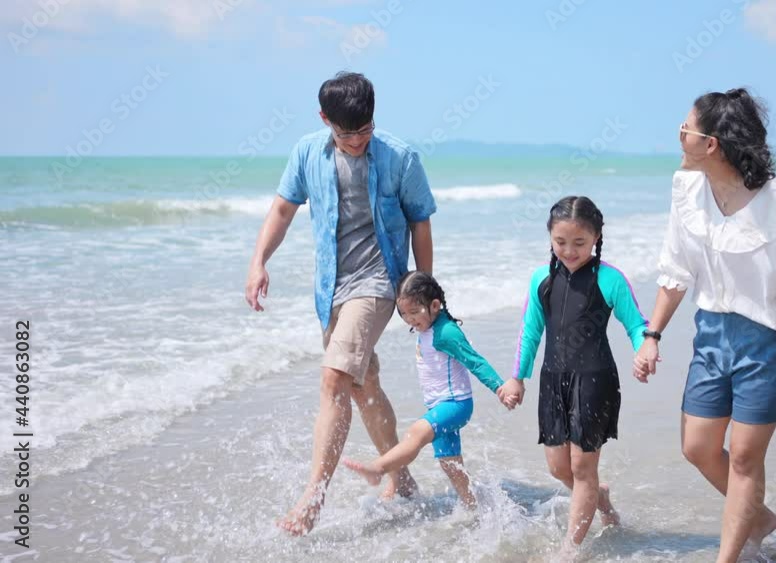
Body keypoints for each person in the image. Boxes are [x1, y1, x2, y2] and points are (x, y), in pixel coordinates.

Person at [635, 88, 776, 563]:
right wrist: (652, 335)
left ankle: (728, 557)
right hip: (712, 335)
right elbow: (676, 271)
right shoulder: (686, 190)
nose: (679, 133)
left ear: (712, 144)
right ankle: (759, 519)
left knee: (746, 456)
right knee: (698, 446)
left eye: (686, 126)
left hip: (770, 344)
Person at [244, 71, 437, 536]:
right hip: (331, 286)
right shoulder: (308, 152)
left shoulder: (400, 157)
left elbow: (421, 224)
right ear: (324, 119)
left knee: (333, 378)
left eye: (364, 130)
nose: (356, 141)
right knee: (360, 384)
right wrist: (258, 262)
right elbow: (283, 209)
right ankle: (401, 476)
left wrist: (423, 291)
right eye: (345, 133)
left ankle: (313, 497)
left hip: (379, 283)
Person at [498, 196, 648, 553]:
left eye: (579, 243)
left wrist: (644, 349)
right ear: (550, 237)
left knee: (582, 468)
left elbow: (636, 325)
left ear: (596, 237)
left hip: (594, 379)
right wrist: (518, 377)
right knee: (558, 468)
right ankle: (601, 499)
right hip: (553, 380)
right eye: (560, 242)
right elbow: (530, 331)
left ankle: (570, 549)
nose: (569, 250)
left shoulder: (609, 279)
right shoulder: (541, 279)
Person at [343, 271, 515, 510]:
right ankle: (475, 509)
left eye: (415, 313)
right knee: (450, 463)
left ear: (435, 305)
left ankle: (378, 469)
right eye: (404, 314)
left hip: (454, 405)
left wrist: (499, 387)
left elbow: (475, 361)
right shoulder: (427, 328)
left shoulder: (446, 332)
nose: (410, 319)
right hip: (440, 405)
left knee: (415, 434)